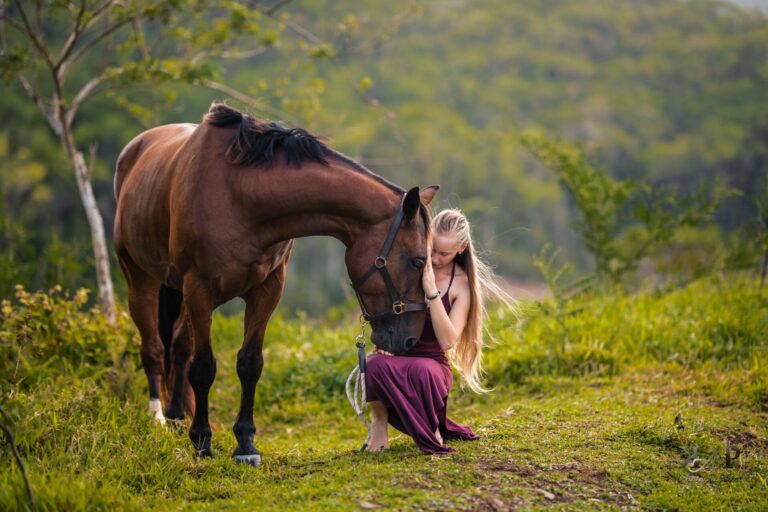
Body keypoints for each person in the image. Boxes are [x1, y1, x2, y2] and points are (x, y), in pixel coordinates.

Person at [365, 208, 512, 454]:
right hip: (399, 353)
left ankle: (430, 426)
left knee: (423, 371)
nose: (434, 258)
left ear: (461, 249)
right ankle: (378, 424)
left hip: (432, 362)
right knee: (372, 363)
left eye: (444, 253)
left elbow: (447, 341)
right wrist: (386, 344)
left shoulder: (462, 284)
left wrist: (431, 291)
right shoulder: (411, 266)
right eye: (432, 248)